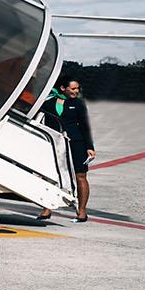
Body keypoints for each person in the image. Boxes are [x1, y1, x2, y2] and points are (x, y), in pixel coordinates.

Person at [43, 78, 97, 221]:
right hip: (55, 142)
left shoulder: (78, 103)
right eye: (73, 89)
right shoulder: (48, 102)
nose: (76, 91)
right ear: (62, 88)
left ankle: (82, 211)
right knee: (50, 175)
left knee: (81, 175)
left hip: (76, 142)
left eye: (77, 88)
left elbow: (85, 126)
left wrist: (90, 147)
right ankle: (47, 208)